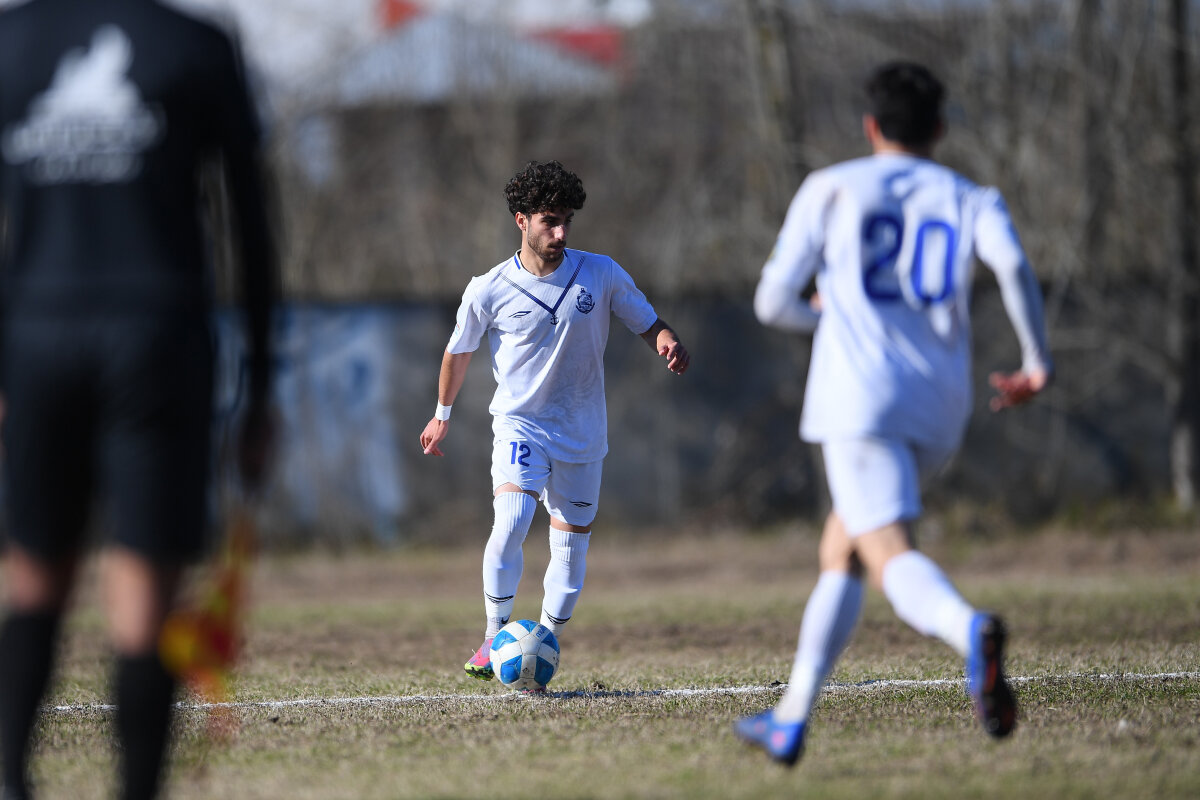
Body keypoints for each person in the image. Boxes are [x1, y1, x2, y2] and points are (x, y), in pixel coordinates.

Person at [735, 61, 1052, 766]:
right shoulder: (971, 197)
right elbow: (1012, 267)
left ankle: (969, 630)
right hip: (941, 403)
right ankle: (790, 718)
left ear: (870, 126)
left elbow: (771, 302)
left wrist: (824, 311)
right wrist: (1036, 361)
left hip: (860, 401)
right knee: (843, 547)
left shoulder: (831, 187)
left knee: (887, 553)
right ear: (939, 129)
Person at [0, 2, 277, 798]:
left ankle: (12, 780)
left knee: (35, 577)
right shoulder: (195, 44)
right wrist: (262, 383)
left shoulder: (10, 42)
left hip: (38, 333)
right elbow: (251, 223)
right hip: (158, 336)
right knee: (144, 595)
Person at [419, 160, 690, 684]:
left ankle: (541, 645)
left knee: (569, 548)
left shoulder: (600, 272)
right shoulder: (488, 288)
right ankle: (494, 637)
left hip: (583, 433)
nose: (561, 233)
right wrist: (441, 415)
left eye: (567, 221)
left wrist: (667, 340)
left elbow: (647, 321)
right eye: (550, 221)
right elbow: (458, 352)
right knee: (512, 521)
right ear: (521, 220)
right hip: (520, 425)